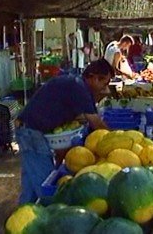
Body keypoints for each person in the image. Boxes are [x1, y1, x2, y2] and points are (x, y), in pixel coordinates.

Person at [15, 59, 113, 204]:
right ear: (93, 77)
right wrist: (113, 139)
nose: (105, 87)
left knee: (31, 183)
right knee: (46, 186)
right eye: (104, 83)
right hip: (31, 132)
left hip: (29, 129)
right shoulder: (79, 87)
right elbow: (95, 122)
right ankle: (46, 220)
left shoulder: (78, 85)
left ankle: (22, 217)